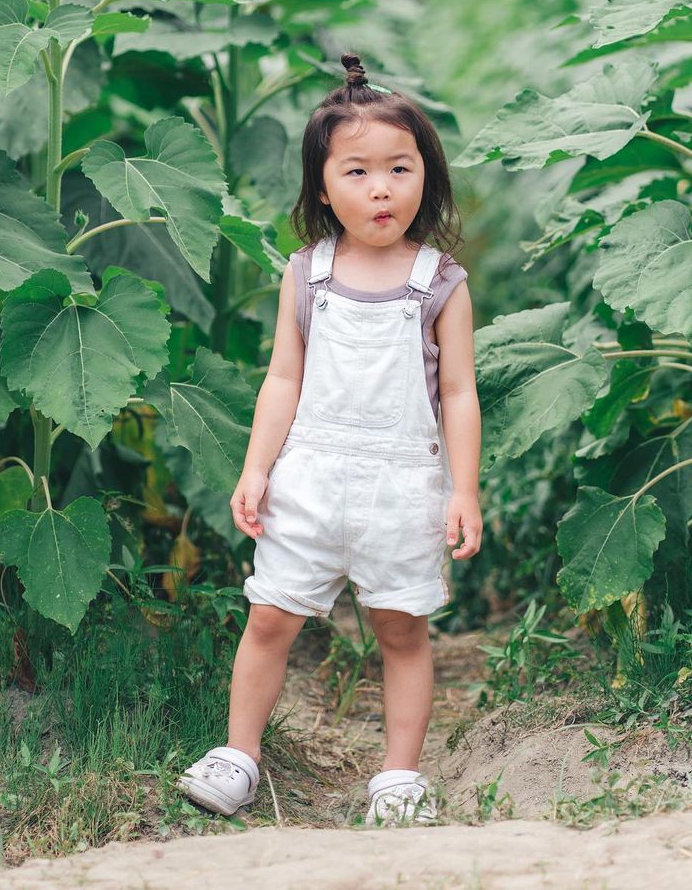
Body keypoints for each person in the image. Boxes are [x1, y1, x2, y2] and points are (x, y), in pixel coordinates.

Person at [177, 51, 482, 827]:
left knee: (401, 629)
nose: (381, 188)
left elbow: (457, 393)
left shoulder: (438, 281)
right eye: (357, 172)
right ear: (323, 188)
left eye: (400, 169)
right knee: (271, 615)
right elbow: (283, 379)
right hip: (309, 478)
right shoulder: (306, 274)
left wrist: (465, 488)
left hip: (401, 487)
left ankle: (399, 777)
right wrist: (256, 468)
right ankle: (239, 756)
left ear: (426, 177)